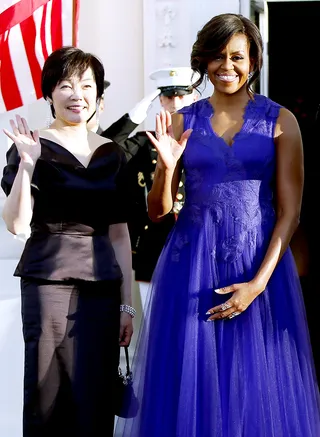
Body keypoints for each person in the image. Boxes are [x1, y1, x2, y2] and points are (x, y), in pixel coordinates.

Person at [115, 13, 320, 436]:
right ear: (203, 59)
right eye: (217, 56)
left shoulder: (282, 121)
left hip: (260, 270)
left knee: (255, 384)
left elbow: (290, 213)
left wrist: (258, 284)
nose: (227, 67)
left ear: (254, 60)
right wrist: (166, 169)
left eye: (237, 57)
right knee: (193, 383)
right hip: (189, 268)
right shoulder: (181, 120)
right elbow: (157, 212)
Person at [1, 46, 134, 437]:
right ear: (49, 94)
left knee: (95, 391)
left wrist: (126, 304)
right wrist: (27, 166)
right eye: (66, 85)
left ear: (98, 95)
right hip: (49, 282)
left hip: (103, 288)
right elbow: (16, 223)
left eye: (87, 85)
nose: (78, 94)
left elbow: (119, 234)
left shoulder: (113, 153)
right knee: (48, 389)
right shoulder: (31, 145)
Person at [102, 67, 198, 310]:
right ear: (160, 100)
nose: (176, 102)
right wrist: (136, 114)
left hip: (199, 246)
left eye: (183, 94)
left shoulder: (207, 140)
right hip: (154, 248)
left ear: (195, 97)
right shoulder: (146, 142)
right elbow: (104, 153)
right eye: (168, 96)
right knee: (158, 328)